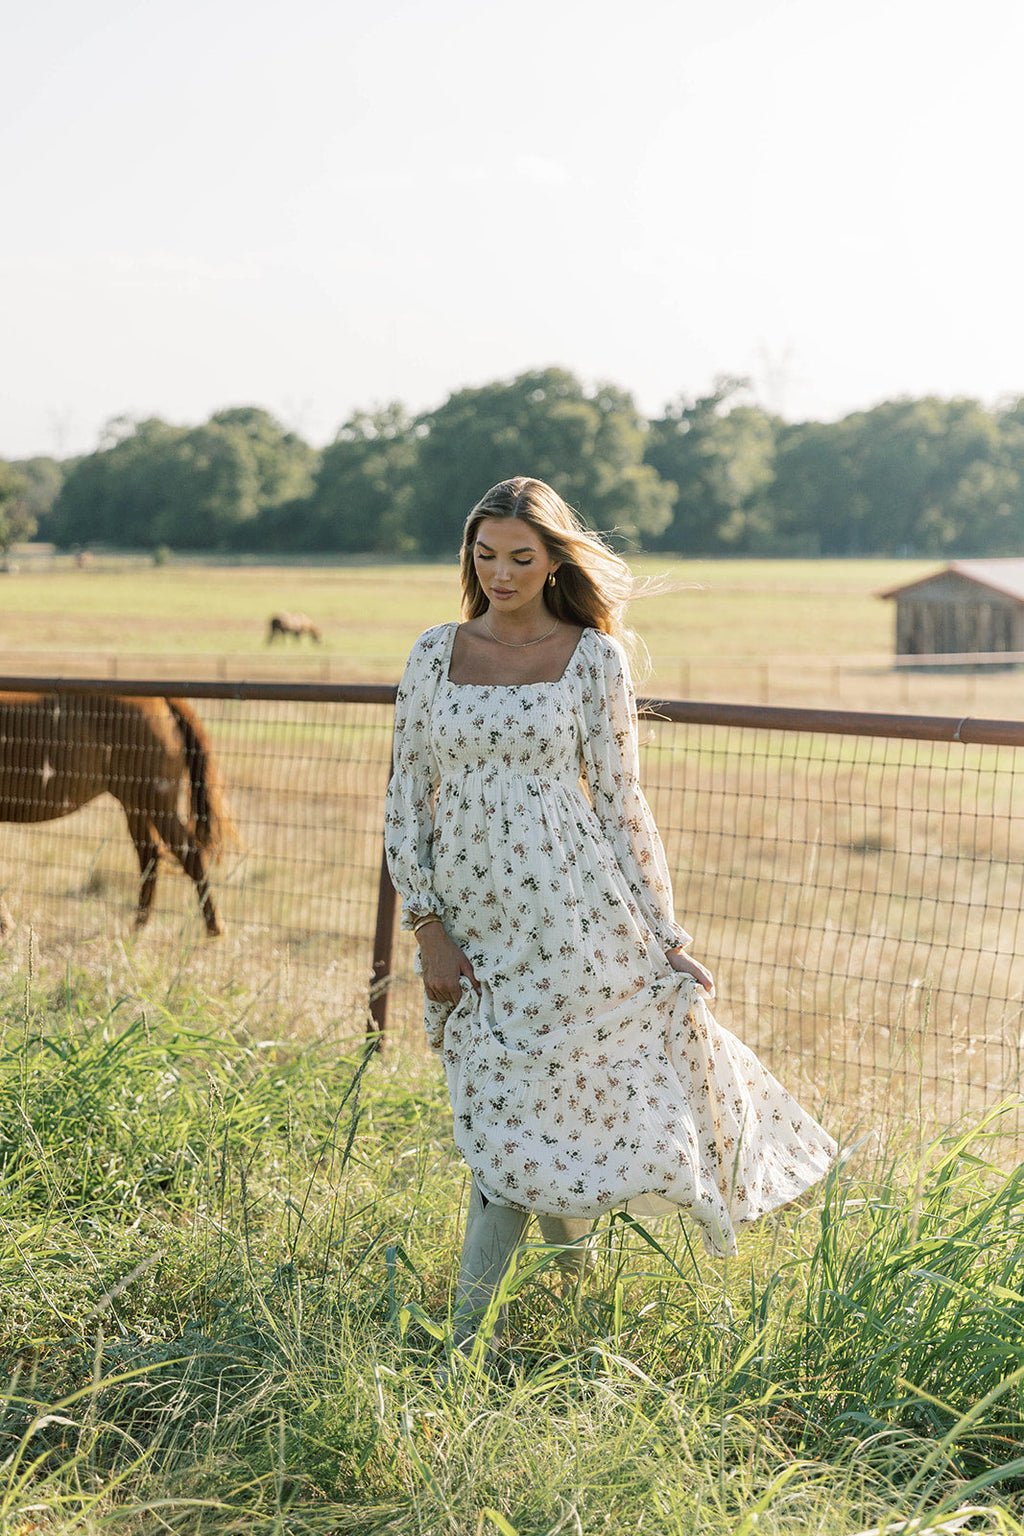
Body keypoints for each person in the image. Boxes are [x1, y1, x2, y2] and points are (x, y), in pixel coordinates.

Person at [384, 476, 836, 1362]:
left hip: (576, 920)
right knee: (518, 1110)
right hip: (474, 927)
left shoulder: (593, 658)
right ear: (469, 554)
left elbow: (624, 804)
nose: (502, 571)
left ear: (555, 560)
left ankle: (464, 1349)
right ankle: (575, 1323)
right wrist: (426, 923)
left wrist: (667, 938)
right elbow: (406, 800)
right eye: (486, 553)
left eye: (522, 556)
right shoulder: (434, 654)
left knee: (534, 1118)